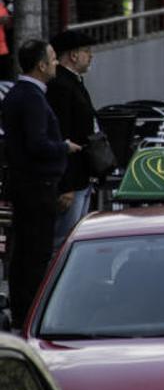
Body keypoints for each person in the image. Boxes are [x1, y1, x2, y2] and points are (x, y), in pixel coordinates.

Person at [1, 40, 80, 324]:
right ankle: (31, 315)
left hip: (30, 186)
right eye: (52, 59)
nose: (57, 63)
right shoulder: (30, 98)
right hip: (36, 188)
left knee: (26, 254)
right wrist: (63, 147)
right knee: (34, 254)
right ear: (41, 65)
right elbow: (36, 144)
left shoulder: (22, 95)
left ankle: (25, 312)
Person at [47, 30, 98, 250]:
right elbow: (61, 134)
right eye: (87, 51)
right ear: (73, 55)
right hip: (71, 179)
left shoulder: (75, 83)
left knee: (76, 237)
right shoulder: (60, 86)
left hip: (82, 176)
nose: (91, 56)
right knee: (63, 241)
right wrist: (65, 185)